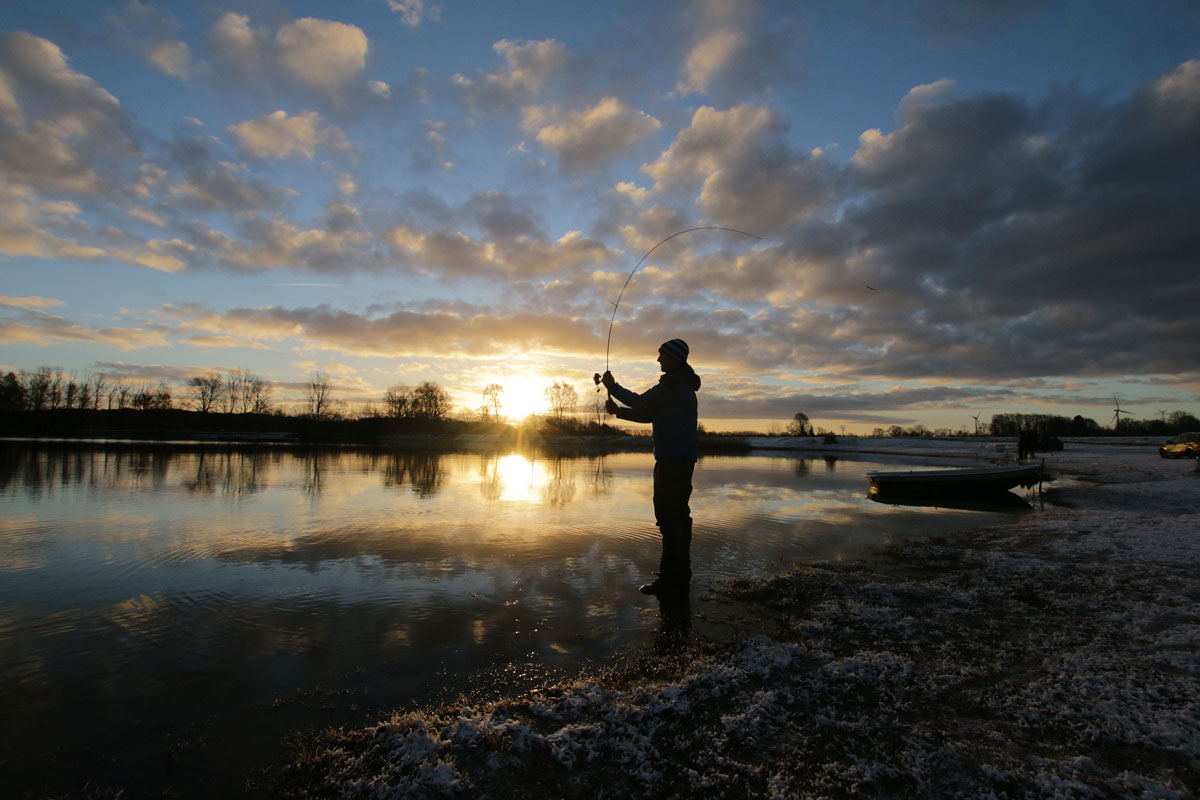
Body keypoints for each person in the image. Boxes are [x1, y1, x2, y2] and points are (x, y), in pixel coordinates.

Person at [602, 338, 700, 595]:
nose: (658, 360)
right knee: (675, 517)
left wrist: (614, 386)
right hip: (675, 459)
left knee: (670, 518)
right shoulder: (677, 385)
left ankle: (673, 579)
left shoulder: (675, 385)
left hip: (673, 460)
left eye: (662, 356)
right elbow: (648, 414)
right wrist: (618, 412)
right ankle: (677, 574)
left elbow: (641, 402)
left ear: (674, 358)